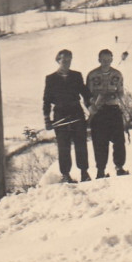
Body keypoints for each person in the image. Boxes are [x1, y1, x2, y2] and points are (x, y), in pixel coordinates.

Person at [42, 49, 90, 184]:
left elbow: (85, 94)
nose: (67, 63)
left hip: (76, 113)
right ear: (58, 60)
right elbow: (46, 100)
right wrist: (47, 119)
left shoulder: (76, 76)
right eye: (64, 60)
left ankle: (84, 172)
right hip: (60, 115)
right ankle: (66, 175)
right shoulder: (50, 79)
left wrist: (92, 108)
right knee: (64, 146)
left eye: (69, 60)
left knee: (81, 145)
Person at [86, 49, 128, 178]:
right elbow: (87, 95)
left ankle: (119, 167)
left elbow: (121, 93)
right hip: (99, 112)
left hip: (113, 110)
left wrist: (114, 96)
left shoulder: (117, 74)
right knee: (100, 142)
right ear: (99, 60)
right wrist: (94, 103)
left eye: (108, 60)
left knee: (119, 140)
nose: (106, 62)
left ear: (112, 59)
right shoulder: (92, 75)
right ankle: (100, 171)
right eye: (103, 60)